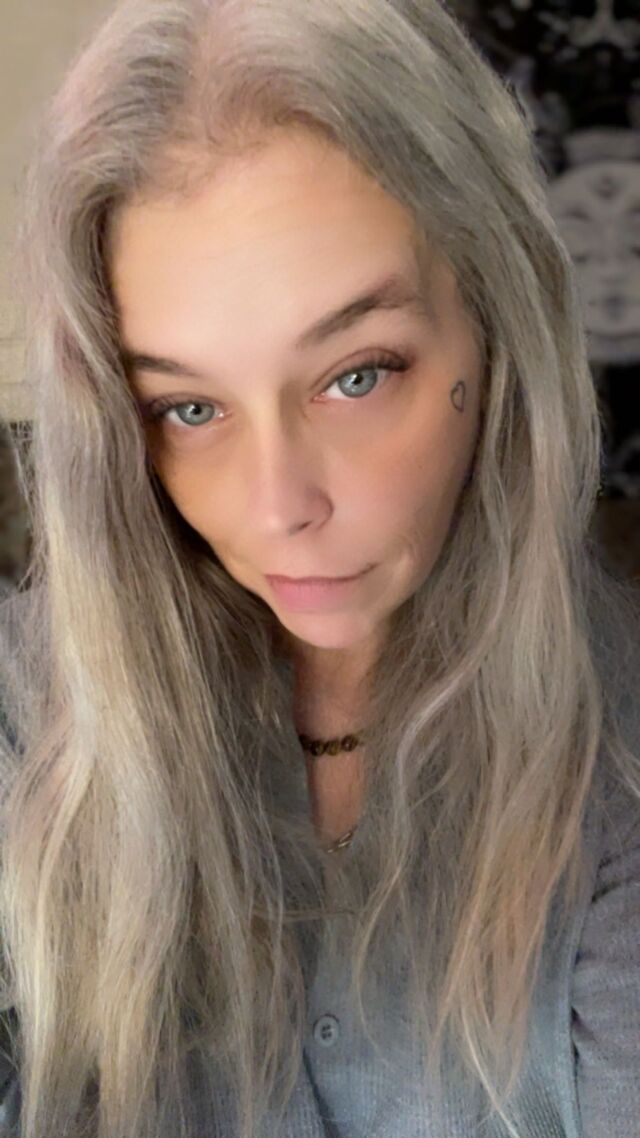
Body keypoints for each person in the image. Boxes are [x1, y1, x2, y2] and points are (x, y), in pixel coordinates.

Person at [0, 1, 638, 1136]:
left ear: (497, 327)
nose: (277, 507)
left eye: (356, 375)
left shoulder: (617, 750)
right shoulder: (25, 714)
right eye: (188, 407)